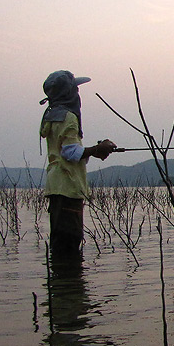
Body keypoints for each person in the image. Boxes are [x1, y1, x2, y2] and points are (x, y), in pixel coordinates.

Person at [39, 70, 117, 257]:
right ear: (69, 93)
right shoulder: (69, 117)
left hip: (56, 186)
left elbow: (67, 150)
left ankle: (62, 283)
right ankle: (69, 281)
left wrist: (93, 151)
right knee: (70, 243)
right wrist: (98, 149)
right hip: (68, 187)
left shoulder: (52, 116)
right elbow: (70, 153)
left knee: (60, 244)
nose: (78, 95)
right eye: (75, 90)